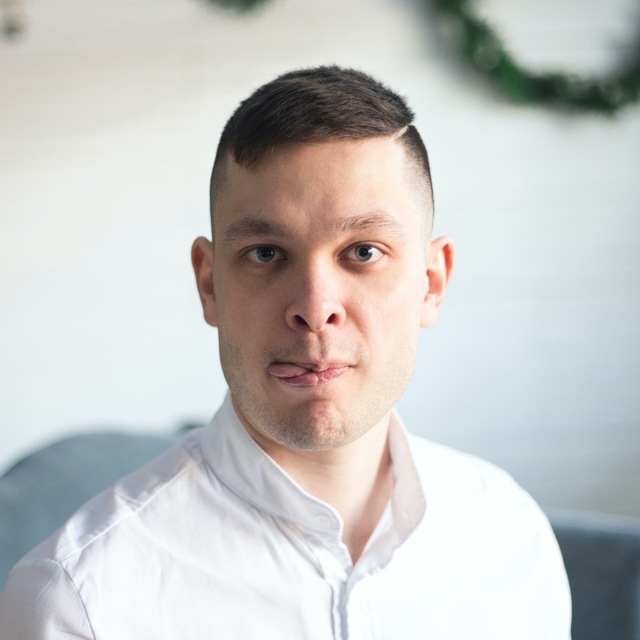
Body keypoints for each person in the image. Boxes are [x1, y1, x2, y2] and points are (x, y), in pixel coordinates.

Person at [0, 66, 571, 639]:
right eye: (266, 254)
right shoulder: (80, 599)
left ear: (432, 283)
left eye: (363, 252)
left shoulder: (510, 536)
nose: (314, 308)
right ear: (209, 284)